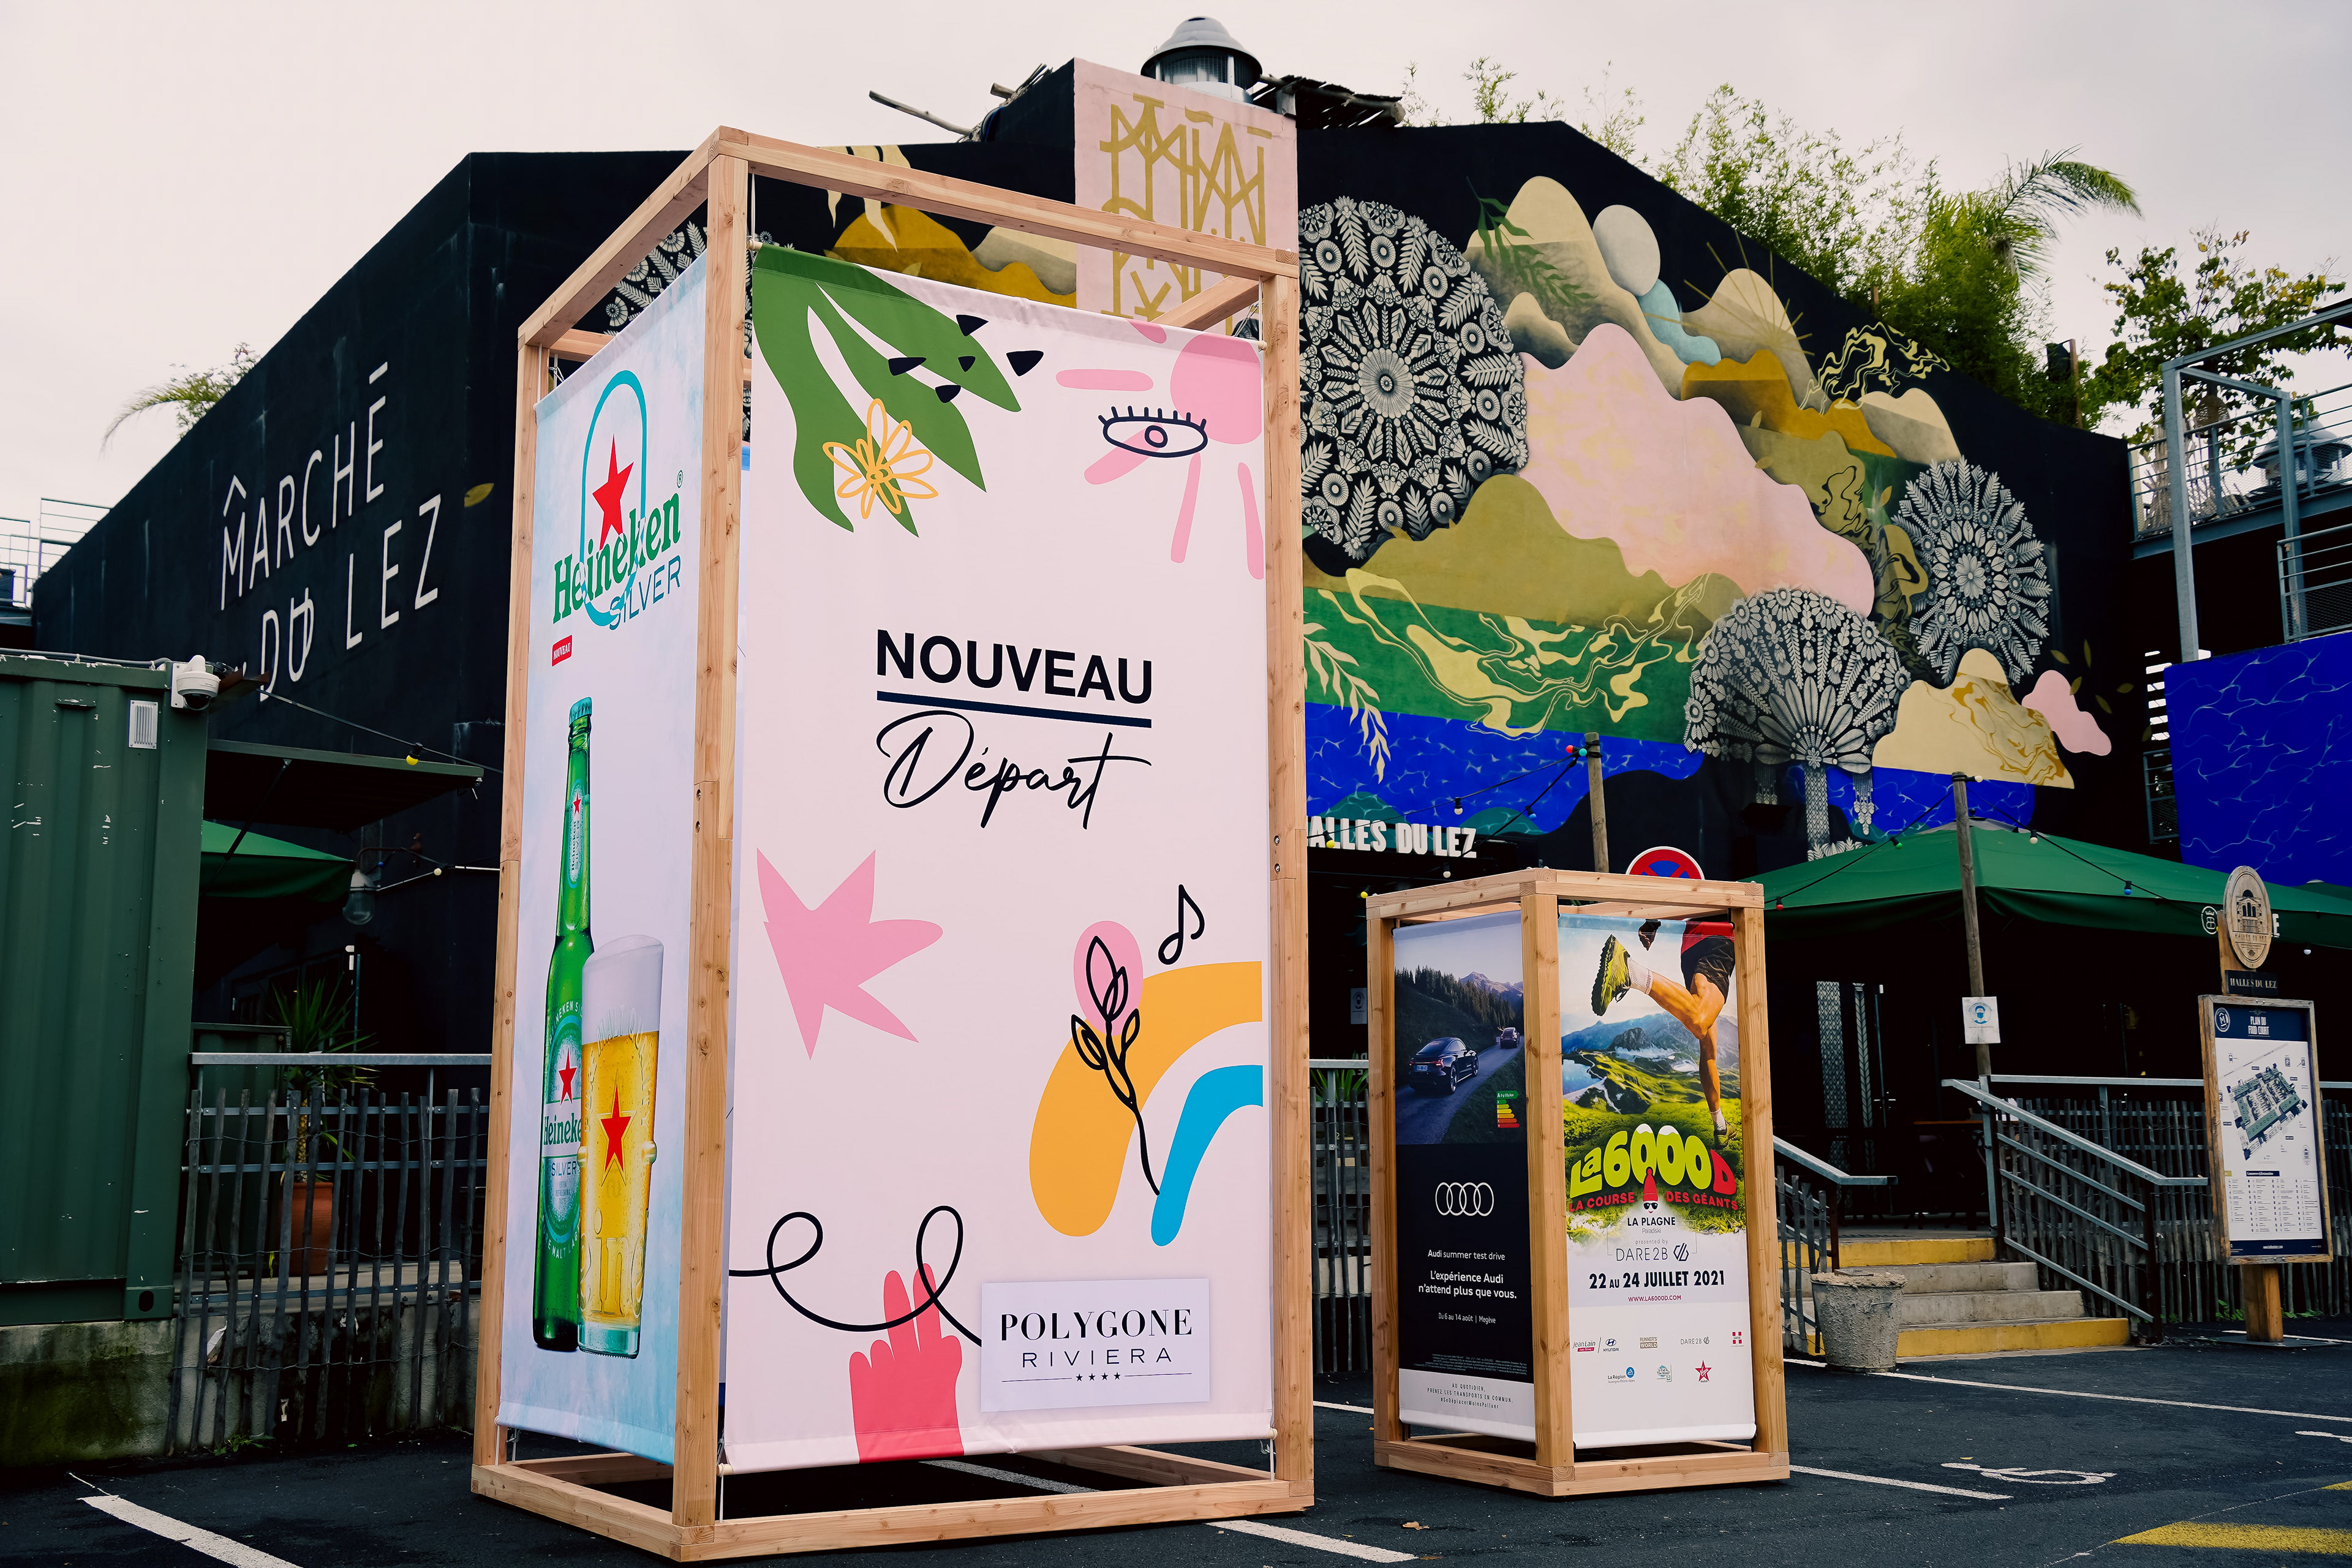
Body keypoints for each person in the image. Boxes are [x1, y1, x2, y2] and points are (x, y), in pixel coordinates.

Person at [1590, 920, 1733, 1143]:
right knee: (1700, 1021)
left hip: (1691, 948)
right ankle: (1632, 973)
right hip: (1719, 936)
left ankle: (1721, 1126)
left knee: (1708, 1049)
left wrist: (1652, 923)